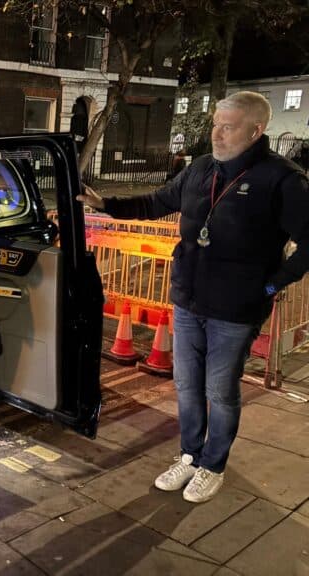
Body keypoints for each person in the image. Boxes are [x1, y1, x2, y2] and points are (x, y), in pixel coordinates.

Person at [77, 91, 309, 503]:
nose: (216, 134)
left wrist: (272, 285)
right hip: (187, 302)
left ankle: (212, 465)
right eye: (215, 124)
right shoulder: (201, 168)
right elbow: (157, 202)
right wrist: (107, 204)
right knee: (186, 385)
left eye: (228, 126)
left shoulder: (283, 180)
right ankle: (190, 454)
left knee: (220, 391)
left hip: (235, 312)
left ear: (256, 131)